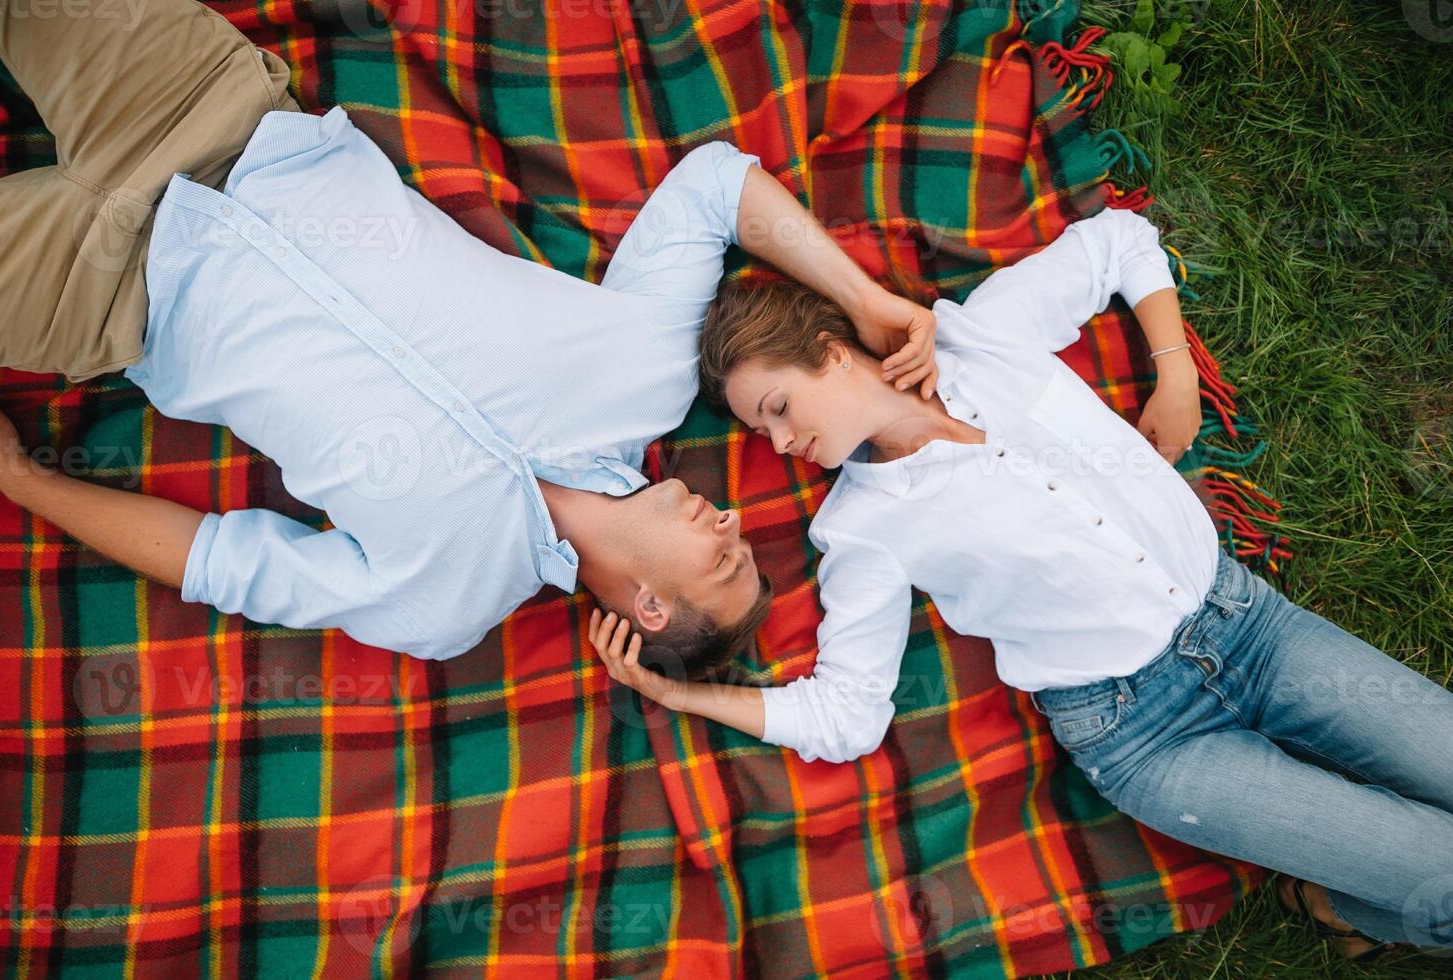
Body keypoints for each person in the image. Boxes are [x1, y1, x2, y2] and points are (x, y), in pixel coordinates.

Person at [588, 206, 1453, 960]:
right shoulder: (856, 529)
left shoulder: (978, 334)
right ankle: (1343, 900)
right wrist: (675, 693)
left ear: (829, 351)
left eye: (776, 409)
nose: (778, 446)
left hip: (1254, 629)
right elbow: (846, 716)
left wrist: (1176, 369)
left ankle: (1359, 905)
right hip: (1146, 737)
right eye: (758, 431)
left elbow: (1120, 241)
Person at [0, 0, 940, 671]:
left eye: (724, 560)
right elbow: (717, 186)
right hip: (214, 122)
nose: (730, 520)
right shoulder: (650, 373)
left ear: (647, 609)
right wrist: (862, 300)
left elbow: (216, 562)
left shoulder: (441, 606)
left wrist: (20, 477)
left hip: (107, 298)